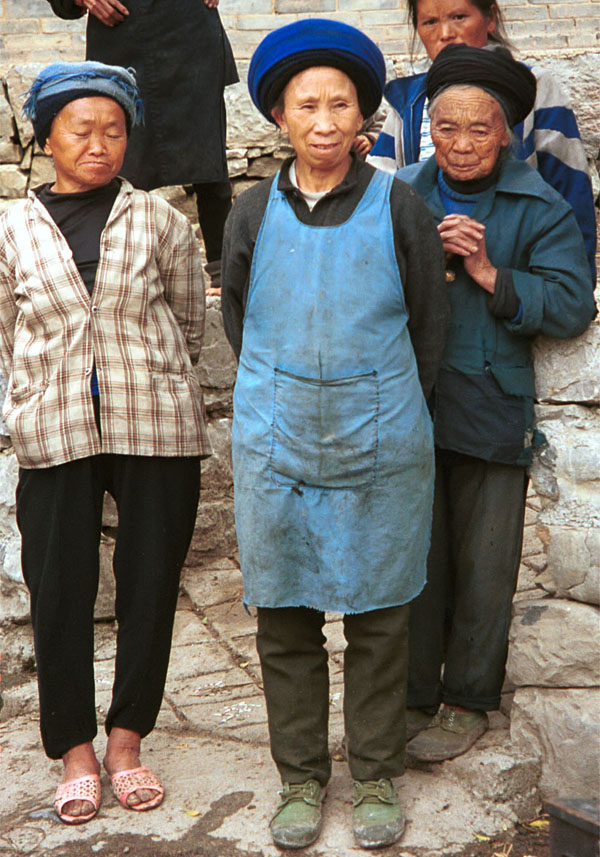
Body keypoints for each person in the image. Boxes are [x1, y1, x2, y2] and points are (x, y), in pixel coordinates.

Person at [221, 18, 450, 850]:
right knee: (283, 615)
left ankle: (378, 770)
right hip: (278, 444)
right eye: (306, 104)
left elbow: (431, 325)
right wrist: (285, 395)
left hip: (383, 441)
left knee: (382, 615)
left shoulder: (402, 204)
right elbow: (241, 321)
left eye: (341, 104)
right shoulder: (250, 211)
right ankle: (301, 777)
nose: (324, 120)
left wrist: (382, 402)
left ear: (365, 119)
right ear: (279, 116)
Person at [0, 62, 210, 823]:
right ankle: (74, 750)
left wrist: (141, 376)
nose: (99, 144)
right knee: (60, 590)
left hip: (154, 423)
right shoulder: (12, 227)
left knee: (151, 581)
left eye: (114, 130)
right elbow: (7, 327)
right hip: (53, 429)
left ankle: (126, 741)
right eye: (81, 129)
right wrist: (39, 388)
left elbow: (189, 320)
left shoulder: (160, 220)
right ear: (46, 136)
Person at [394, 43, 596, 762]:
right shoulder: (403, 192)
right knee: (414, 557)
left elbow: (572, 303)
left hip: (492, 400)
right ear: (430, 131)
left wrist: (487, 271)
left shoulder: (534, 202)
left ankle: (467, 697)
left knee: (484, 562)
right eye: (447, 127)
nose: (463, 143)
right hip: (412, 404)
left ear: (507, 131)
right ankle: (412, 692)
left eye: (480, 128)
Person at [367, 0, 597, 280]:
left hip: (514, 280)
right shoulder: (408, 103)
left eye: (459, 17)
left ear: (490, 19)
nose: (446, 33)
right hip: (429, 279)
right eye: (430, 22)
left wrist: (575, 284)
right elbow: (376, 201)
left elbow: (571, 192)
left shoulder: (531, 89)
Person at [47, 0, 239, 294]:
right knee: (116, 160)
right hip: (120, 31)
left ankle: (224, 273)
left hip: (189, 32)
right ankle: (105, 273)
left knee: (208, 156)